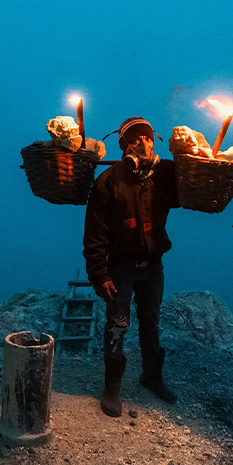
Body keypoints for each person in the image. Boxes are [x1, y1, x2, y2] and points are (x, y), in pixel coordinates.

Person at [83, 116, 179, 417]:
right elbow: (94, 234)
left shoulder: (164, 176)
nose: (144, 143)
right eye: (136, 140)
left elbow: (189, 189)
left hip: (153, 266)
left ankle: (151, 377)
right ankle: (112, 387)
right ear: (125, 146)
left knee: (151, 321)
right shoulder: (108, 181)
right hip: (121, 267)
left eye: (149, 138)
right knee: (117, 325)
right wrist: (99, 274)